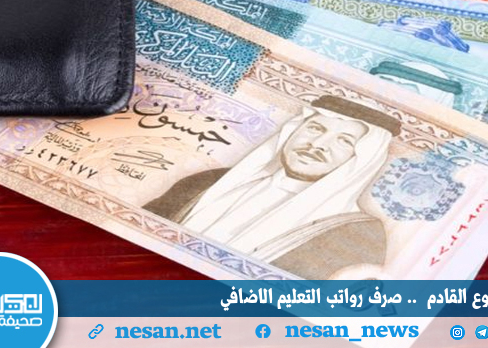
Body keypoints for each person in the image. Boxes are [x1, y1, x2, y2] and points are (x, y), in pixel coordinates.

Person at [144, 95, 401, 279]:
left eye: (344, 141)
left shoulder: (358, 234)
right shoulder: (208, 182)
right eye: (315, 128)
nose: (318, 145)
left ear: (362, 159)